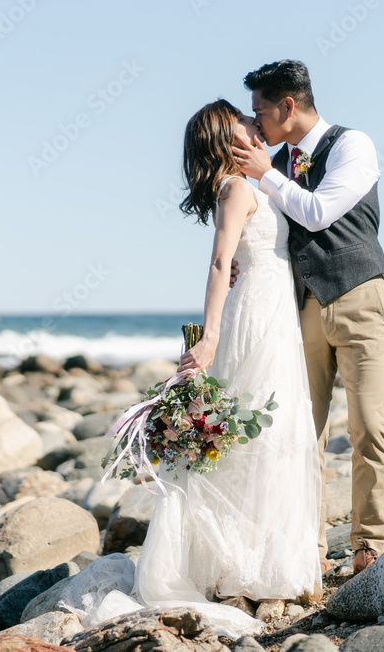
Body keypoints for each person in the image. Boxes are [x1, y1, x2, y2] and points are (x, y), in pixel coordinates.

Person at [131, 99, 323, 638]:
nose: (253, 124)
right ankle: (242, 570)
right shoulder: (236, 189)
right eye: (244, 121)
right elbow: (220, 263)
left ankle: (266, 568)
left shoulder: (254, 182)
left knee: (275, 437)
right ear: (225, 135)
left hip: (275, 315)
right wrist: (210, 336)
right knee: (255, 441)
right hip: (254, 321)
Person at [232, 59, 384, 574]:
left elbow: (319, 212)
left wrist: (267, 175)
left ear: (288, 106)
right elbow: (261, 223)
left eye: (260, 113)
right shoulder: (274, 162)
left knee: (370, 426)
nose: (255, 125)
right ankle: (310, 548)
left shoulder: (352, 145)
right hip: (300, 308)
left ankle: (370, 541)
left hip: (358, 298)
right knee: (305, 433)